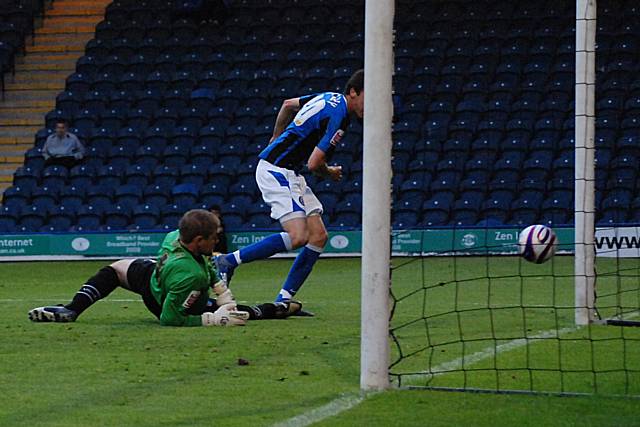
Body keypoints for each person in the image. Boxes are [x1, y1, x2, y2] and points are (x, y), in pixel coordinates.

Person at [215, 69, 364, 307]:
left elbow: (287, 105)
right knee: (298, 236)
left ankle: (284, 300)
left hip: (289, 171)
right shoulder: (341, 116)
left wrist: (276, 136)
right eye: (369, 96)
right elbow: (315, 164)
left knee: (318, 236)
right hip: (277, 170)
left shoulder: (327, 97)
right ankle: (227, 261)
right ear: (354, 92)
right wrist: (330, 172)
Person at [28, 209, 302, 326]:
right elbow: (169, 319)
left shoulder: (174, 236)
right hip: (168, 300)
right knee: (241, 315)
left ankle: (71, 310)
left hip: (153, 277)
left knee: (114, 270)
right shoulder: (189, 275)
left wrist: (221, 290)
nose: (218, 239)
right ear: (198, 240)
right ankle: (274, 309)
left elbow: (205, 261)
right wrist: (209, 318)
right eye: (213, 236)